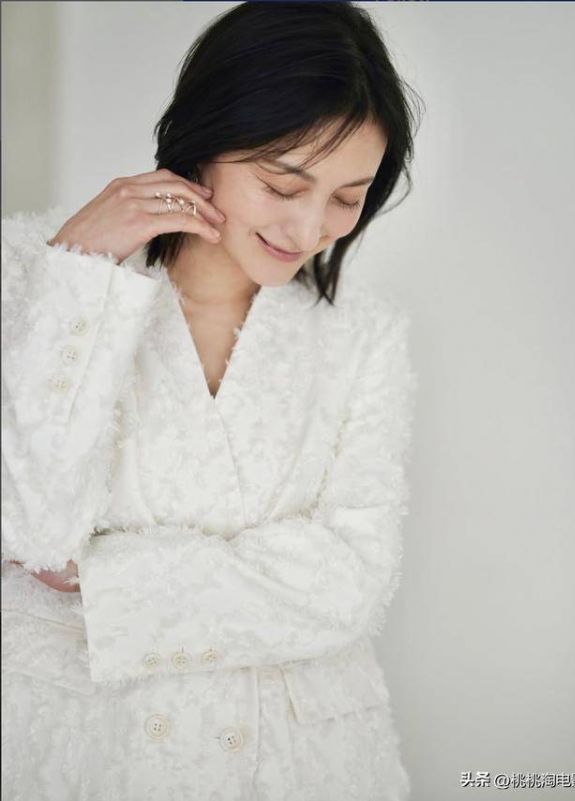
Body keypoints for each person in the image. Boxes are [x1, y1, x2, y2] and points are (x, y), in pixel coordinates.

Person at [1, 2, 422, 799]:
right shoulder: (38, 275)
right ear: (206, 141)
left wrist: (106, 581)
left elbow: (352, 576)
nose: (309, 228)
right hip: (90, 746)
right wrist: (79, 273)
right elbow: (31, 529)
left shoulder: (362, 335)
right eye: (282, 183)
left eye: (347, 196)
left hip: (300, 758)